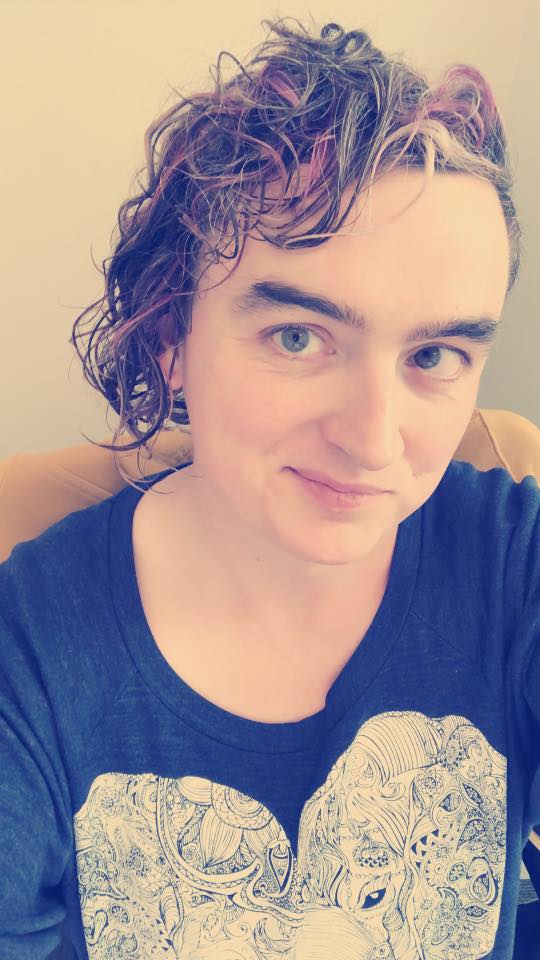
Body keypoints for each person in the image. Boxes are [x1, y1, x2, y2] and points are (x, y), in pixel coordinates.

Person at [0, 17, 538, 960]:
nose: (373, 439)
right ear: (170, 336)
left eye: (433, 356)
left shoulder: (514, 566)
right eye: (299, 337)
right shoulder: (30, 657)